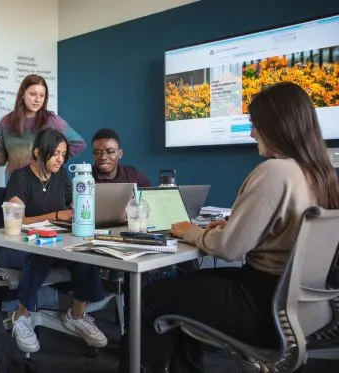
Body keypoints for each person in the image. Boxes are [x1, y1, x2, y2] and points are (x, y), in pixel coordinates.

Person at [118, 82, 339, 372]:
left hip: (262, 307)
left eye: (254, 124)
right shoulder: (321, 174)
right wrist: (234, 225)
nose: (251, 133)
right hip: (305, 308)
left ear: (277, 125)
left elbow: (229, 248)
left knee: (149, 297)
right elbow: (283, 233)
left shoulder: (275, 171)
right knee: (187, 293)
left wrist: (191, 231)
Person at [4, 128, 107, 353]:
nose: (60, 159)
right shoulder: (20, 177)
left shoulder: (61, 177)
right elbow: (17, 221)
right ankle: (21, 316)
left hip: (58, 242)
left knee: (86, 253)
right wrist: (56, 215)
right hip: (25, 245)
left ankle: (77, 316)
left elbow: (73, 205)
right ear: (39, 152)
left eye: (63, 154)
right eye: (56, 154)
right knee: (40, 255)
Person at [0, 74, 85, 179]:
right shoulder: (6, 122)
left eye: (42, 95)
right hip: (14, 187)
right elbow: (1, 160)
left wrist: (54, 157)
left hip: (45, 186)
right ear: (22, 94)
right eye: (33, 94)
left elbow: (78, 143)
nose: (38, 100)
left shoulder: (52, 120)